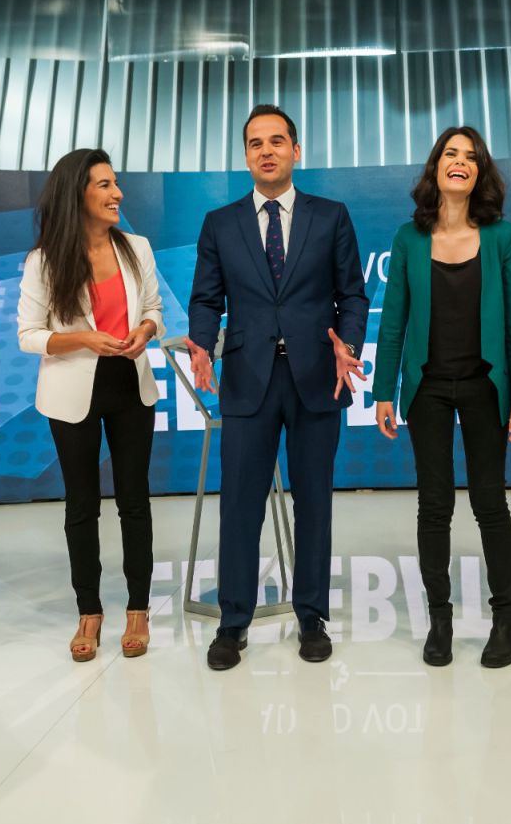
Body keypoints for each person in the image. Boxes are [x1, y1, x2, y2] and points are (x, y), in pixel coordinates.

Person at [187, 104, 369, 670]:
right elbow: (205, 298)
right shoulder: (221, 222)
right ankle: (233, 620)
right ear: (245, 156)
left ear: (297, 151)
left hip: (318, 379)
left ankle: (311, 616)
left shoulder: (331, 215)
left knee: (314, 503)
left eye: (276, 141)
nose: (265, 150)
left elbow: (353, 295)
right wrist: (199, 342)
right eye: (254, 143)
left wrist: (351, 344)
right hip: (247, 380)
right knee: (240, 505)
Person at [372, 126, 511, 668]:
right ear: (435, 167)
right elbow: (393, 321)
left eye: (470, 156)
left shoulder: (502, 237)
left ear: (480, 171)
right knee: (433, 505)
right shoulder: (408, 237)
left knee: (491, 503)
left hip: (488, 387)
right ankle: (438, 621)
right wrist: (384, 391)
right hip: (428, 389)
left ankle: (504, 621)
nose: (459, 162)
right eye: (450, 153)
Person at [17, 149, 165, 662]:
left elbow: (153, 308)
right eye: (103, 185)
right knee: (81, 505)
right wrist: (81, 339)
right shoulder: (43, 261)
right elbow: (29, 337)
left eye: (115, 183)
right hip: (70, 391)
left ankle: (138, 610)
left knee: (134, 501)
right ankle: (89, 611)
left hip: (130, 385)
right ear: (76, 193)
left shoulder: (137, 247)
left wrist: (147, 329)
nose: (116, 193)